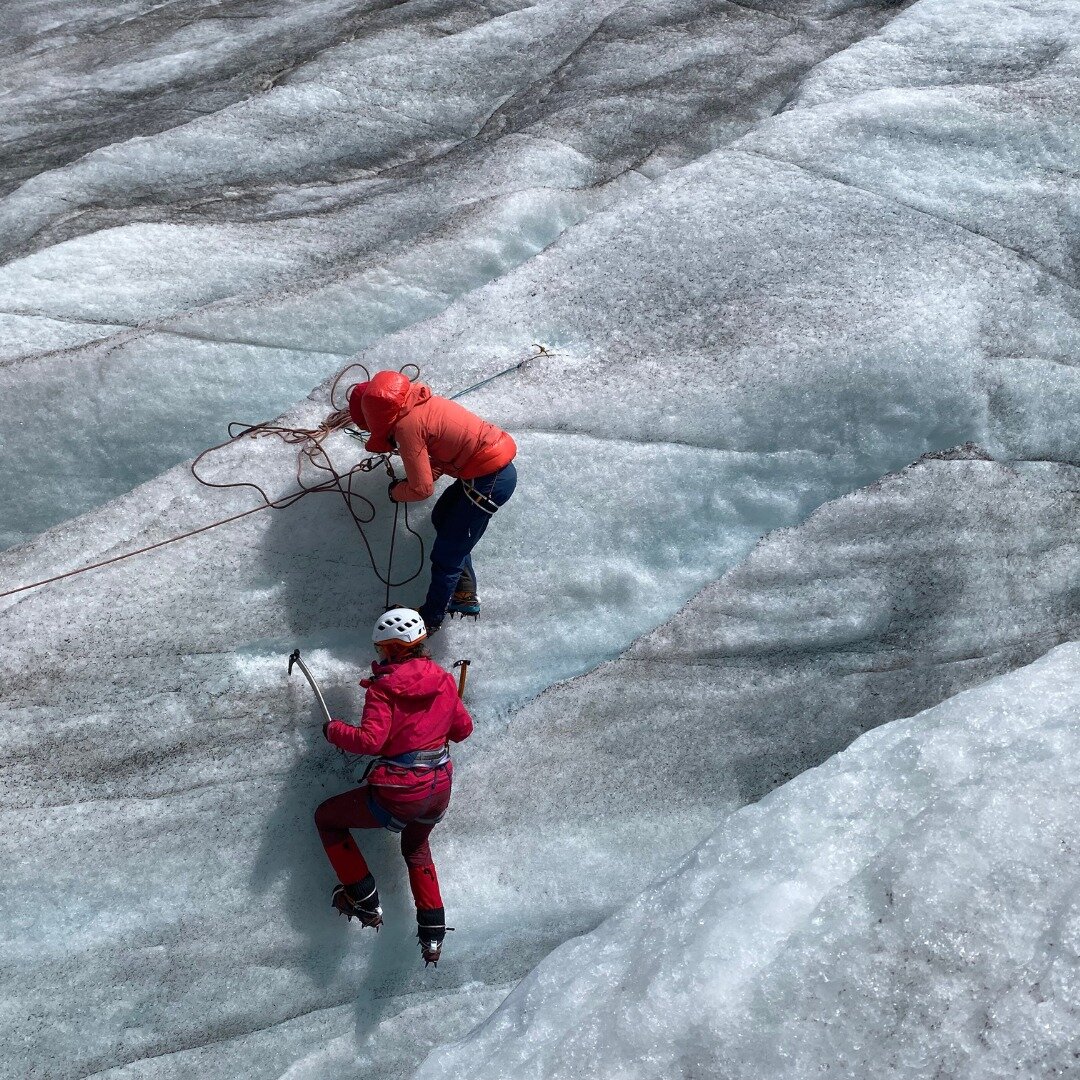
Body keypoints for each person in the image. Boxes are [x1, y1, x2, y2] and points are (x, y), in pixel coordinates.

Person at [315, 607, 473, 965]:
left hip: (400, 792)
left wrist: (334, 731)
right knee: (416, 848)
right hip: (438, 788)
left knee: (328, 818)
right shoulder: (444, 680)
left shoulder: (383, 689)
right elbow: (463, 731)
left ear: (390, 649)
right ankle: (432, 935)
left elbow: (371, 741)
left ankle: (363, 897)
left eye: (380, 649)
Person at [349, 370, 517, 632]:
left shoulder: (407, 428)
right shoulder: (422, 403)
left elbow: (421, 489)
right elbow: (443, 453)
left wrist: (396, 492)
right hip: (487, 473)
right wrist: (423, 475)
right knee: (442, 517)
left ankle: (431, 618)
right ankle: (464, 593)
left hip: (488, 481)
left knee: (447, 553)